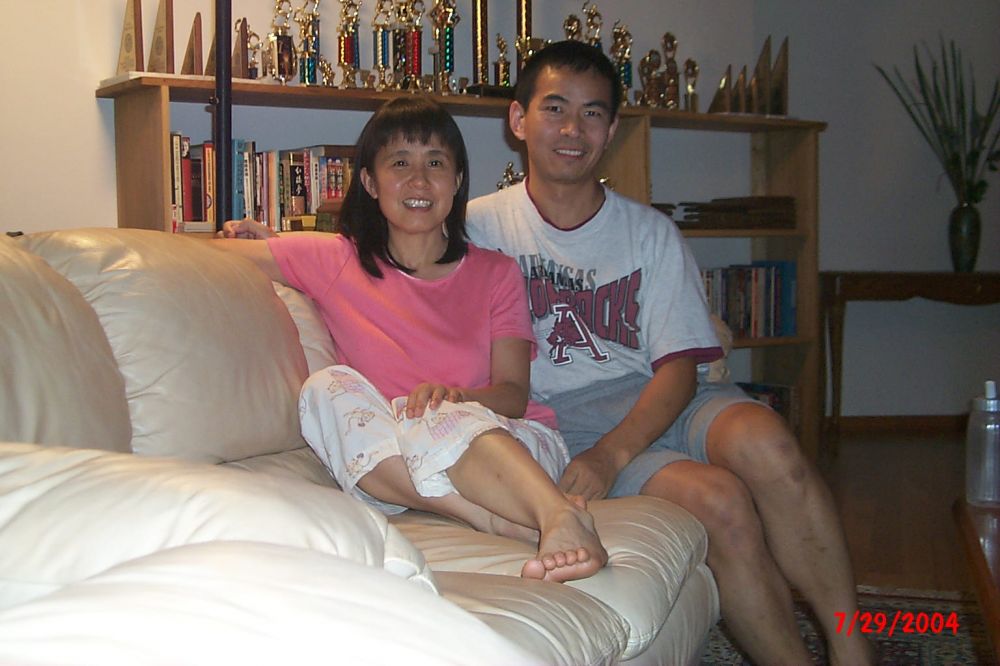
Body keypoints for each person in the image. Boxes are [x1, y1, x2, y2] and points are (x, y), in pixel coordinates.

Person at [466, 40, 873, 665]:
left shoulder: (649, 231)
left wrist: (615, 453)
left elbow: (680, 366)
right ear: (518, 119)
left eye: (593, 113)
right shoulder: (477, 228)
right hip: (566, 421)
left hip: (668, 395)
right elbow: (390, 254)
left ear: (612, 130)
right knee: (719, 501)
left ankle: (851, 646)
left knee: (772, 448)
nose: (573, 129)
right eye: (555, 108)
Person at [213, 96, 607, 583]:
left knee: (436, 416)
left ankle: (558, 515)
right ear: (369, 182)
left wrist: (456, 397)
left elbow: (513, 394)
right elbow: (204, 254)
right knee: (325, 389)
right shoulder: (336, 260)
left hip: (513, 446)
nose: (419, 181)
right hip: (399, 459)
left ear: (457, 181)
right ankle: (485, 517)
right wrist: (245, 234)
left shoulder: (495, 273)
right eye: (400, 163)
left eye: (435, 163)